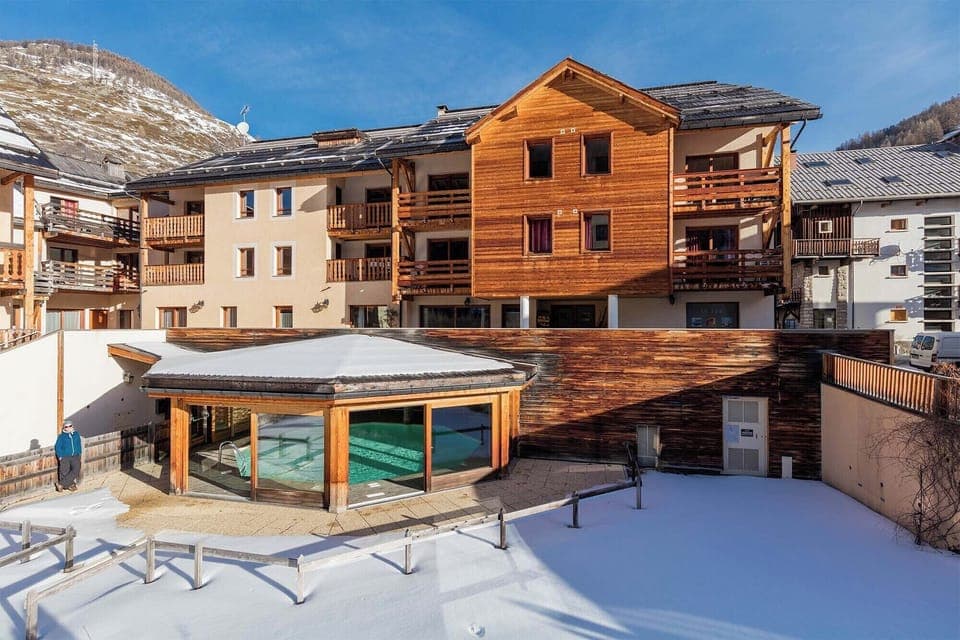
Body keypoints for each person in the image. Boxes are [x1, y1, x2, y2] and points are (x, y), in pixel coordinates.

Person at [54, 420, 82, 492]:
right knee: (64, 471)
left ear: (72, 426)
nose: (68, 428)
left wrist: (79, 452)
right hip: (65, 456)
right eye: (66, 426)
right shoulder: (61, 437)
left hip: (75, 455)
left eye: (70, 426)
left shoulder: (76, 434)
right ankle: (69, 486)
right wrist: (60, 456)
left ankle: (60, 484)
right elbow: (58, 447)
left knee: (76, 470)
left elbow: (79, 443)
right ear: (64, 428)